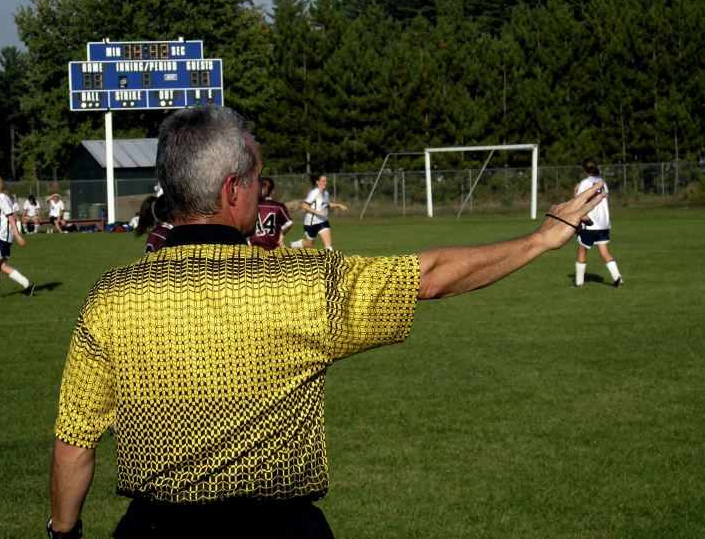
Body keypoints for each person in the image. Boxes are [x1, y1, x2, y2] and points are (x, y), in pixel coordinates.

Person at [48, 105, 605, 539]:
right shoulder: (302, 284)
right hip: (280, 529)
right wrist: (541, 237)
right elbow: (431, 276)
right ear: (231, 190)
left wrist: (63, 531)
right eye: (257, 176)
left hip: (154, 528)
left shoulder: (112, 296)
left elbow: (75, 443)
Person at [0, 175, 35, 299]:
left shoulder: (3, 198)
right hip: (1, 235)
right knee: (1, 265)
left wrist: (17, 235)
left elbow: (11, 218)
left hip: (3, 236)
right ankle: (27, 284)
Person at [572, 158, 624, 288]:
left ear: (584, 169)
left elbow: (577, 202)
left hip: (590, 224)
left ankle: (579, 283)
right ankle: (618, 277)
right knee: (604, 252)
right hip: (603, 224)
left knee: (582, 252)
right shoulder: (602, 182)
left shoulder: (584, 183)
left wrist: (575, 191)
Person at [289, 174, 348, 251]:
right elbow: (305, 205)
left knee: (329, 246)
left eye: (326, 181)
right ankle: (293, 244)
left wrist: (339, 205)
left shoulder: (326, 193)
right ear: (317, 182)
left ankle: (328, 261)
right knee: (308, 244)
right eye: (323, 181)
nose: (325, 182)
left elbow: (327, 204)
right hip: (311, 223)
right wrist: (317, 212)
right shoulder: (314, 193)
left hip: (323, 221)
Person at [249, 176, 293, 251]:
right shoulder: (278, 207)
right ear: (272, 191)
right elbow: (289, 224)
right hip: (272, 249)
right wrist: (281, 235)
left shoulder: (252, 206)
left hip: (253, 249)